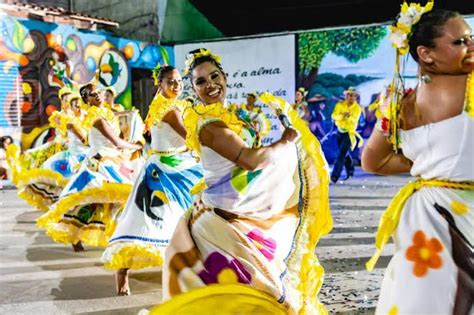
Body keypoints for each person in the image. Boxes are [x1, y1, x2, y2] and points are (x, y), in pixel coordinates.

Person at [156, 48, 331, 314]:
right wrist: (286, 142)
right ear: (193, 88)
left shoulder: (228, 118)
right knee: (251, 297)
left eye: (214, 76)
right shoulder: (209, 126)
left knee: (244, 298)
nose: (210, 84)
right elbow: (250, 161)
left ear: (225, 77)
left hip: (237, 216)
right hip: (222, 228)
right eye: (201, 81)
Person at [362, 3, 473, 314]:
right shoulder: (468, 85)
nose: (471, 46)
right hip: (460, 213)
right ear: (426, 54)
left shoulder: (398, 104)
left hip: (425, 217)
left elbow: (374, 162)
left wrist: (438, 163)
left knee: (427, 299)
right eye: (460, 41)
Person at [101, 65, 203, 296]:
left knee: (186, 218)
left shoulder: (170, 104)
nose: (176, 85)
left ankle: (191, 265)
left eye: (178, 81)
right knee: (146, 224)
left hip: (179, 166)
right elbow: (190, 137)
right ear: (161, 84)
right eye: (170, 81)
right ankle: (122, 272)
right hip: (163, 171)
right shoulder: (168, 109)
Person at [37, 82, 142, 252]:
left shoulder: (106, 112)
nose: (98, 95)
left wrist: (129, 117)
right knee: (93, 200)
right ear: (87, 100)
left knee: (109, 202)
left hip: (113, 159)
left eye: (98, 92)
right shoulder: (96, 117)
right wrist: (135, 146)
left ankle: (113, 235)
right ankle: (75, 234)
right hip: (101, 162)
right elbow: (115, 141)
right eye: (93, 94)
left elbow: (115, 133)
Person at [330, 87, 363, 183]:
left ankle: (335, 176)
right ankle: (351, 170)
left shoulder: (357, 108)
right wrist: (342, 116)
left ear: (356, 97)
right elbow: (334, 116)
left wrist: (348, 116)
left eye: (352, 95)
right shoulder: (339, 105)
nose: (350, 97)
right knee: (344, 153)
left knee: (341, 155)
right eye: (348, 95)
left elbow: (354, 120)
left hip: (349, 133)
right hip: (339, 132)